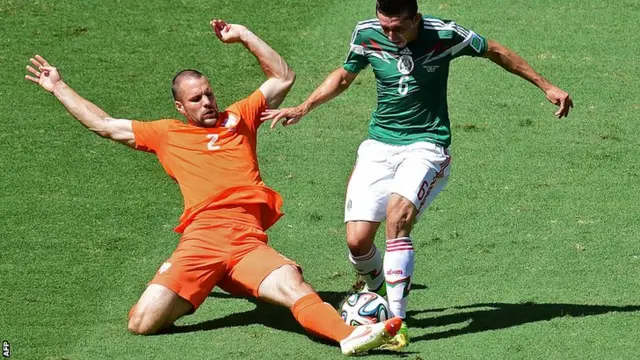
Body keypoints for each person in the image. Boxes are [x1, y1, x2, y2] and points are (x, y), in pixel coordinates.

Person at [25, 19, 404, 356]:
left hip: (245, 240)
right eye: (196, 98)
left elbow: (282, 77)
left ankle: (350, 336)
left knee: (294, 286)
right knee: (141, 323)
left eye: (209, 93)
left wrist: (244, 36)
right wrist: (58, 87)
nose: (207, 101)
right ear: (180, 107)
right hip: (200, 241)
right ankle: (210, 279)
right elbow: (104, 124)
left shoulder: (239, 117)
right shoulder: (165, 134)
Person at [262, 0, 574, 350]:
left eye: (399, 28)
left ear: (416, 19)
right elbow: (344, 75)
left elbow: (495, 50)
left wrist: (546, 85)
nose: (391, 35)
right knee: (357, 242)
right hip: (379, 146)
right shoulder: (366, 33)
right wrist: (305, 106)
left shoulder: (444, 33)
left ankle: (397, 323)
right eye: (386, 27)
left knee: (397, 217)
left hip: (427, 145)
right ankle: (377, 293)